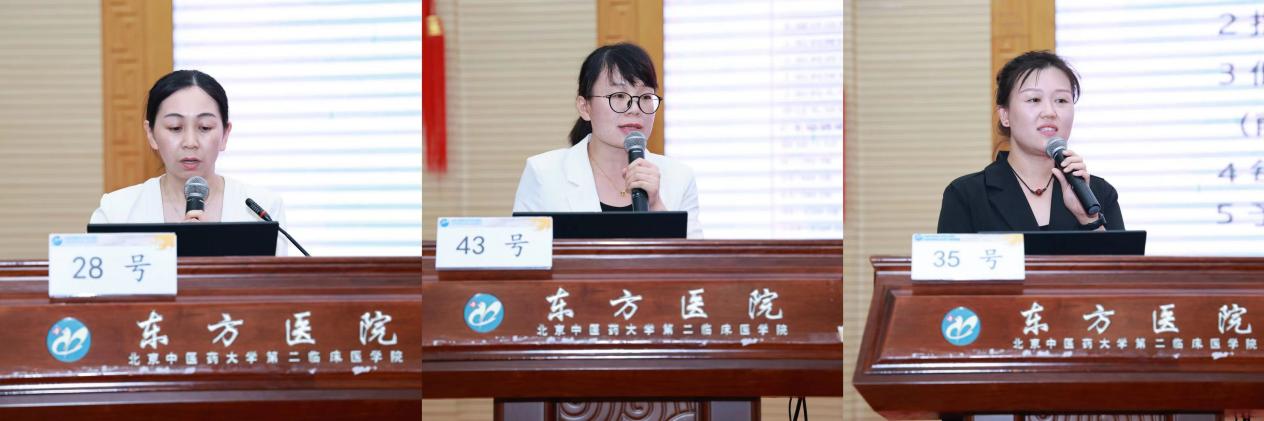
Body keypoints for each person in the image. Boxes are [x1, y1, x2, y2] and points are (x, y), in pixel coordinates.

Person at [90, 70, 289, 255]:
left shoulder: (262, 209)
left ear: (225, 134)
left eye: (205, 127)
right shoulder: (116, 211)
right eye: (175, 128)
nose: (190, 142)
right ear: (151, 134)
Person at [513, 43, 702, 238]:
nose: (634, 109)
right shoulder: (544, 174)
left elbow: (696, 257)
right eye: (619, 95)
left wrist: (656, 207)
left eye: (646, 97)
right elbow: (524, 252)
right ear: (585, 107)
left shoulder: (680, 178)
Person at [937, 51, 1124, 233]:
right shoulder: (966, 195)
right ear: (1005, 115)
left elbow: (1123, 256)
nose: (1050, 112)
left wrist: (1089, 219)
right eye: (1034, 99)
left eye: (1061, 100)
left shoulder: (1098, 194)